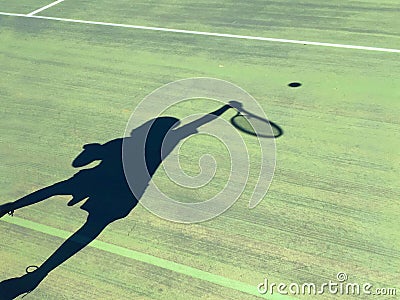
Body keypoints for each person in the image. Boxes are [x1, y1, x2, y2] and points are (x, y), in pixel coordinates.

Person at [0, 101, 240, 299]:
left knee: (57, 190)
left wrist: (93, 151)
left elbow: (78, 163)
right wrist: (226, 109)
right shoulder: (164, 143)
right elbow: (199, 121)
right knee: (85, 232)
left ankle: (9, 208)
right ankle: (39, 274)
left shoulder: (123, 143)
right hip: (122, 194)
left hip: (102, 182)